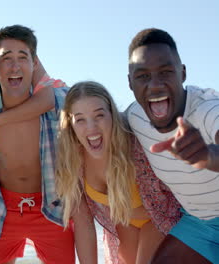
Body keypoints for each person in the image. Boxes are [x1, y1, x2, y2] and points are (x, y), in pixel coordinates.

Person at [0, 25, 97, 264]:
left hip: (49, 208)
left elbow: (92, 109)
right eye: (6, 58)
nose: (15, 66)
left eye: (22, 57)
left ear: (34, 63)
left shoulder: (59, 101)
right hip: (2, 210)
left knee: (79, 202)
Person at [56, 81, 181, 263]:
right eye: (80, 119)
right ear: (70, 123)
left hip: (159, 220)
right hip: (123, 227)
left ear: (112, 114)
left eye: (99, 115)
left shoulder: (135, 145)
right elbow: (83, 224)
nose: (91, 128)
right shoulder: (73, 160)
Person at [126, 28, 219, 263]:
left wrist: (209, 156)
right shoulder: (135, 116)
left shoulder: (208, 109)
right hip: (199, 223)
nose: (155, 85)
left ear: (183, 73)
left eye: (166, 72)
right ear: (130, 82)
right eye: (143, 76)